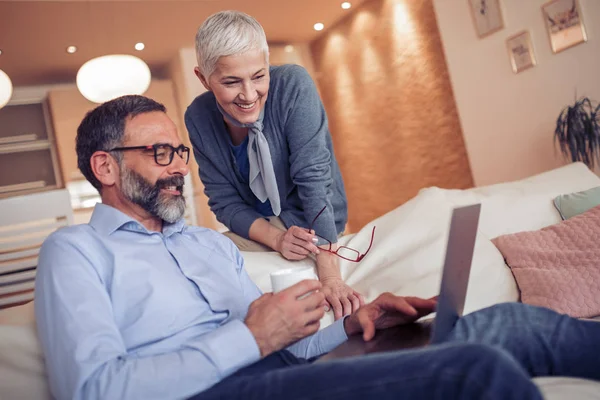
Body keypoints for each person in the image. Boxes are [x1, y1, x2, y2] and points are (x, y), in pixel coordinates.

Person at [35, 95, 600, 400]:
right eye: (160, 154)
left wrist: (352, 326)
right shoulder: (75, 252)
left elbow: (290, 347)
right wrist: (253, 336)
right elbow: (94, 390)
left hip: (286, 372)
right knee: (472, 372)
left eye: (180, 152)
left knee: (506, 324)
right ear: (105, 167)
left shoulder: (208, 244)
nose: (179, 168)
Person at [184, 10, 361, 320]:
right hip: (258, 229)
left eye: (259, 76)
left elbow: (314, 179)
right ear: (203, 79)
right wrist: (277, 239)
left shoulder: (293, 85)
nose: (249, 95)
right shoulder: (198, 117)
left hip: (311, 219)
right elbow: (224, 203)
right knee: (201, 263)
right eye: (231, 82)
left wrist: (331, 275)